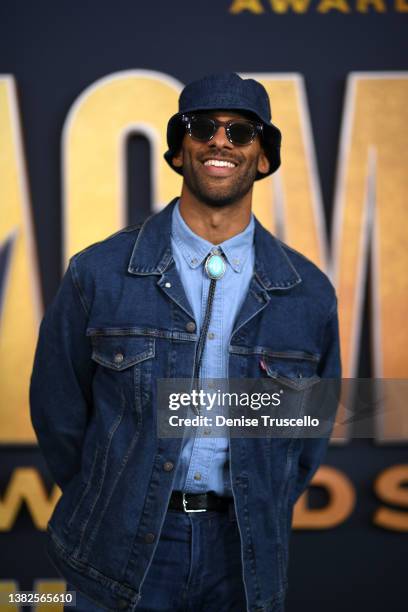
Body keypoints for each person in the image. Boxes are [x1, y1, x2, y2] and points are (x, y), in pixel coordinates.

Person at [30, 72, 341, 612]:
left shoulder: (308, 294)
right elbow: (58, 413)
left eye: (242, 132)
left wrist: (258, 500)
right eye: (202, 127)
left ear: (263, 158)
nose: (220, 141)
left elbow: (306, 439)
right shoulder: (99, 272)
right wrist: (113, 496)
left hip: (243, 552)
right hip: (116, 544)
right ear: (179, 150)